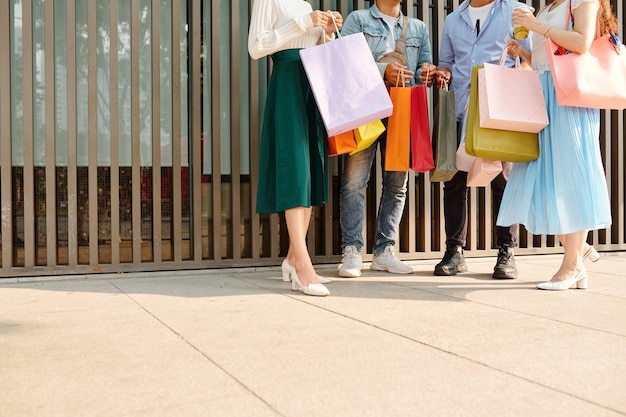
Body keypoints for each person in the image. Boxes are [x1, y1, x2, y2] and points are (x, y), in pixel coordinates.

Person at [496, 0, 614, 290]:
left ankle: (572, 265)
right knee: (544, 181)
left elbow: (581, 43)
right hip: (544, 93)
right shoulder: (548, 7)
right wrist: (522, 50)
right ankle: (580, 252)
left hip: (568, 96)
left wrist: (537, 26)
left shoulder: (583, 1)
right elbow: (544, 55)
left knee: (572, 175)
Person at [248, 0, 343, 296]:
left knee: (311, 170)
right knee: (296, 170)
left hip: (311, 83)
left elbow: (316, 48)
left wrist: (327, 30)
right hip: (288, 82)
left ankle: (292, 259)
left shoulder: (304, 3)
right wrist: (303, 22)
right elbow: (256, 46)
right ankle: (303, 267)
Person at [338, 0, 436, 278]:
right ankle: (352, 250)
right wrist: (384, 72)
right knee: (354, 181)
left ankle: (384, 251)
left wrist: (427, 71)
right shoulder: (357, 20)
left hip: (402, 107)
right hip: (365, 106)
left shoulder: (417, 26)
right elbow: (346, 61)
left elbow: (421, 69)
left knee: (397, 183)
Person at [433, 0, 530, 279]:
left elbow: (532, 58)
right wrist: (443, 73)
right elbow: (446, 63)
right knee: (454, 181)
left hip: (497, 110)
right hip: (460, 108)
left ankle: (507, 251)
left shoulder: (516, 11)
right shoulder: (453, 20)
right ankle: (454, 251)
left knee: (502, 181)